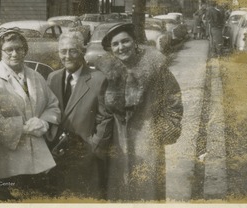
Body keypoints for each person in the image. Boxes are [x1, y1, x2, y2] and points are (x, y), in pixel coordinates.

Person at [95, 22, 183, 202]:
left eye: (125, 41)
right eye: (116, 44)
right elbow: (101, 109)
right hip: (117, 143)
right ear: (111, 49)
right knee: (120, 191)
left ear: (134, 42)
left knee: (147, 191)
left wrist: (165, 129)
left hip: (149, 139)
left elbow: (173, 99)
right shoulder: (106, 73)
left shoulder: (155, 67)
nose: (121, 47)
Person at [0, 29, 60, 201]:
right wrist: (24, 128)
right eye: (9, 49)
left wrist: (44, 122)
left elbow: (52, 105)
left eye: (19, 49)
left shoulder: (36, 76)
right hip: (7, 162)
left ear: (25, 50)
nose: (15, 53)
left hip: (38, 161)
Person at [47, 31, 113, 199]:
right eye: (63, 51)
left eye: (73, 50)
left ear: (83, 51)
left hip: (86, 159)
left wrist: (93, 148)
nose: (67, 56)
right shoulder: (52, 78)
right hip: (57, 158)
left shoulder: (98, 79)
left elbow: (105, 118)